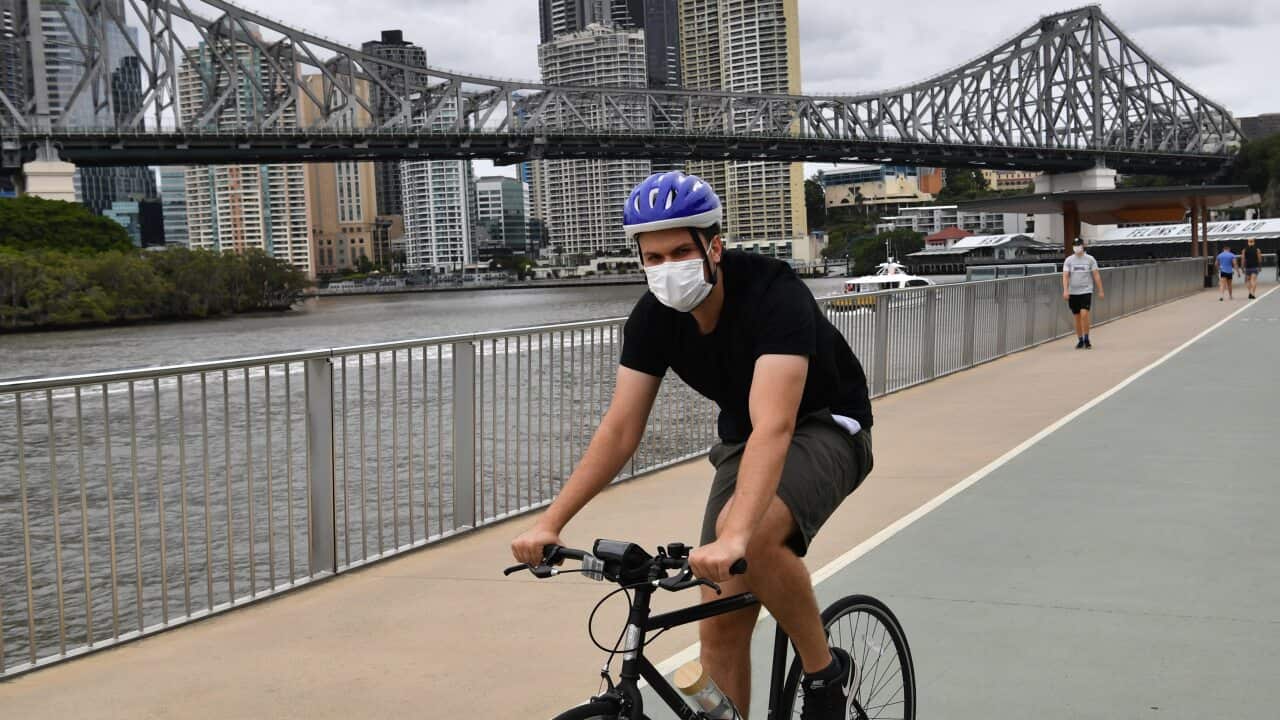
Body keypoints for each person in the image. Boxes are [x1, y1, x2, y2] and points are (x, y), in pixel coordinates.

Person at [511, 171, 874, 719]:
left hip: (825, 423)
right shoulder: (653, 319)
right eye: (652, 258)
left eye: (681, 251)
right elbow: (620, 429)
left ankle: (824, 676)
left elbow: (774, 426)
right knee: (719, 627)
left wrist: (735, 536)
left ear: (714, 246)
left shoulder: (775, 294)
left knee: (753, 535)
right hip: (742, 439)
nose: (667, 269)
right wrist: (549, 523)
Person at [1062, 239, 1104, 349]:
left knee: (1084, 314)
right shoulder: (1069, 260)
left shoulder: (1090, 259)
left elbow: (1096, 275)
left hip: (1086, 290)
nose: (1077, 247)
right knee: (1077, 316)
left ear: (1083, 246)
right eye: (1075, 245)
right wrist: (1065, 290)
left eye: (1078, 245)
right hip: (1073, 291)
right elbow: (1065, 276)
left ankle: (1087, 338)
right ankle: (1080, 339)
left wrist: (1100, 290)